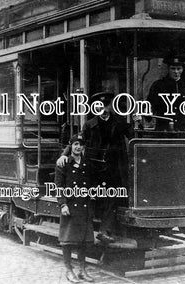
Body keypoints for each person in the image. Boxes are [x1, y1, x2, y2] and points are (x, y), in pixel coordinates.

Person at [57, 92, 135, 243]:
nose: (104, 110)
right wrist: (64, 154)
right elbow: (77, 141)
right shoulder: (89, 124)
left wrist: (138, 122)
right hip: (93, 168)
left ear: (110, 106)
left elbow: (133, 136)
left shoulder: (119, 122)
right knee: (93, 197)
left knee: (112, 197)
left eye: (106, 106)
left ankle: (104, 231)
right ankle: (85, 231)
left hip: (113, 168)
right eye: (100, 106)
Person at [55, 133, 95, 283]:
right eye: (75, 144)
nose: (78, 147)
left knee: (83, 241)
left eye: (81, 144)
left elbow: (91, 184)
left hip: (84, 207)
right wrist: (63, 204)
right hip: (70, 206)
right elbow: (58, 186)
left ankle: (82, 271)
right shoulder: (63, 163)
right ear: (70, 146)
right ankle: (68, 270)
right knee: (68, 240)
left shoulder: (86, 163)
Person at [146, 57, 185, 132]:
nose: (176, 72)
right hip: (164, 131)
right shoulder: (158, 85)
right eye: (173, 68)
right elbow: (150, 106)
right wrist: (146, 113)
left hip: (183, 131)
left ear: (182, 69)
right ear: (168, 69)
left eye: (179, 68)